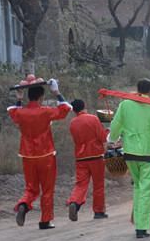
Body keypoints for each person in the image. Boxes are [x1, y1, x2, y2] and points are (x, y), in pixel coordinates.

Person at [109, 79, 150, 238]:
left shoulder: (125, 104)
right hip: (147, 153)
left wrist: (112, 138)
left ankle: (138, 220)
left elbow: (116, 123)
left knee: (138, 187)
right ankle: (141, 227)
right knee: (145, 189)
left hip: (130, 152)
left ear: (136, 89)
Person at [9, 78, 72, 229]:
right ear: (41, 97)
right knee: (47, 190)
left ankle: (24, 203)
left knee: (31, 187)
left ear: (28, 96)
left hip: (27, 155)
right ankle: (45, 220)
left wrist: (18, 98)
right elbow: (66, 109)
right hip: (46, 155)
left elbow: (13, 113)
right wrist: (56, 92)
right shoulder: (46, 111)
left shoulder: (21, 113)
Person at [66, 99, 108, 221]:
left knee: (81, 184)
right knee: (98, 185)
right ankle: (98, 211)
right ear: (85, 106)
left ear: (73, 110)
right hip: (96, 156)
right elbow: (102, 137)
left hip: (80, 157)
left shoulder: (72, 123)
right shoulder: (93, 119)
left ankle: (74, 202)